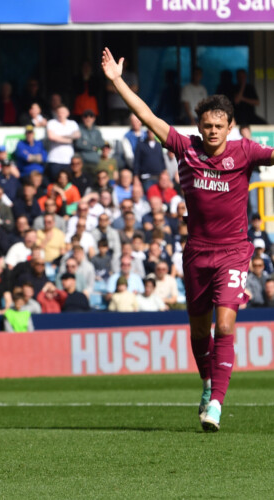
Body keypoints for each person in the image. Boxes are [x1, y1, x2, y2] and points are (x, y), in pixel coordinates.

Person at [103, 47, 274, 432]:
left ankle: (216, 404)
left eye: (219, 126)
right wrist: (116, 81)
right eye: (207, 125)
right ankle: (207, 382)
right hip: (196, 253)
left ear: (230, 126)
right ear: (199, 126)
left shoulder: (246, 152)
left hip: (234, 252)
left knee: (225, 326)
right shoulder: (185, 148)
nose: (212, 131)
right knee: (199, 332)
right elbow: (147, 116)